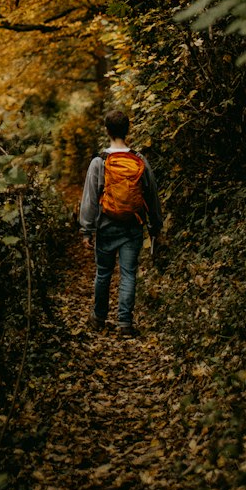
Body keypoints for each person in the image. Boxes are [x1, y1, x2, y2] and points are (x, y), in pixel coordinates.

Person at [78, 107, 164, 338]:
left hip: (106, 225)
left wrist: (87, 230)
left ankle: (98, 318)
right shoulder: (139, 159)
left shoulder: (100, 161)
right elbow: (151, 195)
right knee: (128, 274)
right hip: (133, 226)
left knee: (103, 273)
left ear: (107, 130)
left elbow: (90, 198)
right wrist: (156, 226)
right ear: (128, 129)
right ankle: (125, 323)